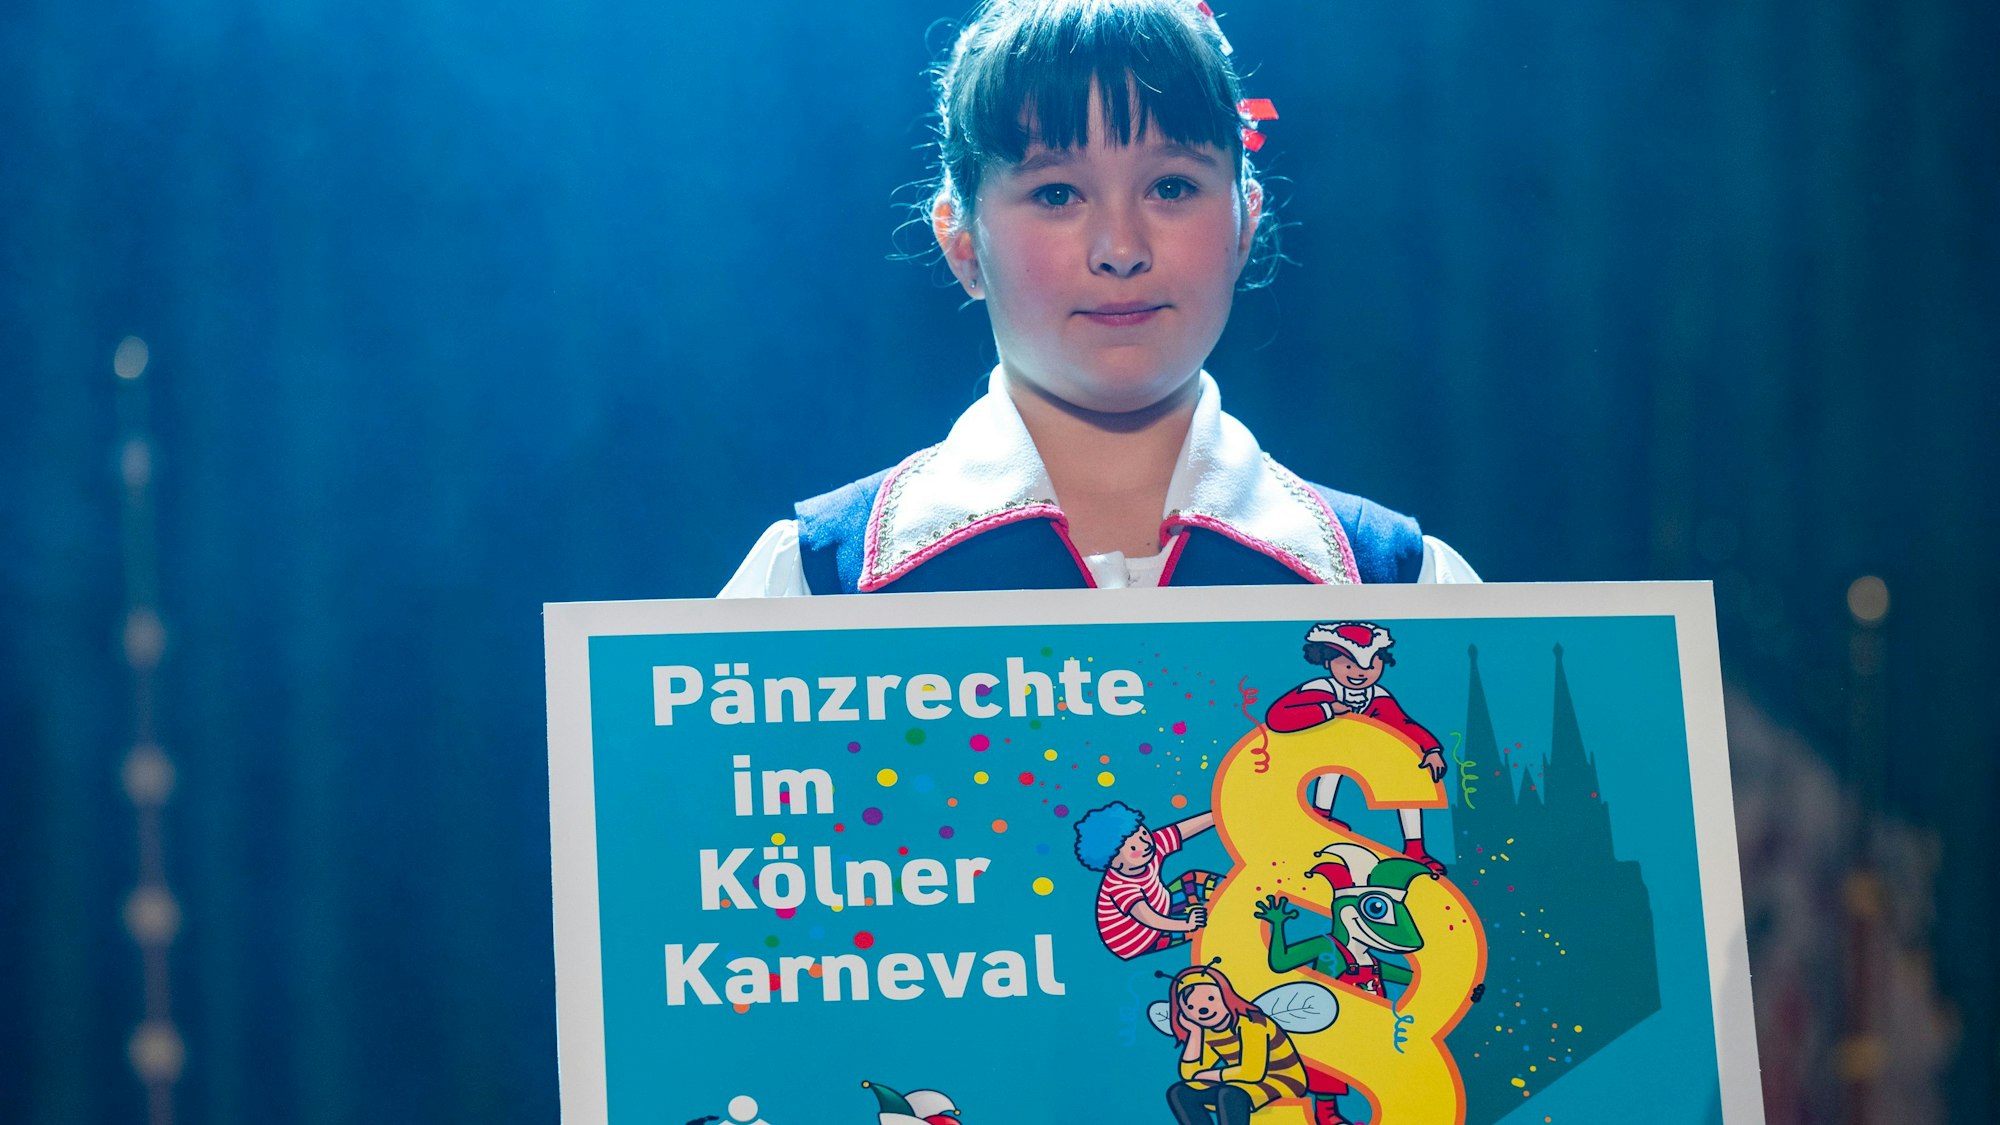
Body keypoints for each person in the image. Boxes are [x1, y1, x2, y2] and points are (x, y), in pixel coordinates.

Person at [719, 0, 1478, 599]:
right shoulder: (817, 582)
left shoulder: (1399, 586)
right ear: (959, 239)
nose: (1121, 248)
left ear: (1245, 219)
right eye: (1056, 193)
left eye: (1172, 186)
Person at [1265, 622, 1450, 875]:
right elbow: (1278, 718)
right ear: (1329, 663)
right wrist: (1328, 709)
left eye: (1370, 666)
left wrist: (1431, 749)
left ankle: (1415, 848)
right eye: (1349, 665)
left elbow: (1403, 723)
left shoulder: (1377, 695)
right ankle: (1321, 814)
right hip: (1308, 760)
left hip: (1362, 759)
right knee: (1332, 764)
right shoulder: (1321, 689)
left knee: (1409, 775)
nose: (1360, 673)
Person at [1164, 962, 1309, 1125]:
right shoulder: (1209, 1032)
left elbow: (1252, 1072)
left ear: (1226, 996)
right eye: (1191, 1006)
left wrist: (1207, 1075)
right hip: (1241, 1082)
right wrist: (1195, 1034)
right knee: (1180, 1092)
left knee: (1229, 1093)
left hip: (1283, 1081)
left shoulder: (1251, 1023)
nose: (1202, 1009)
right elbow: (1189, 1074)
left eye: (1211, 998)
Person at [1073, 801, 1219, 959]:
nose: (1144, 844)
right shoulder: (1120, 887)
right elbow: (1149, 918)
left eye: (1143, 833)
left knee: (1195, 880)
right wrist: (1186, 925)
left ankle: (1239, 892)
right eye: (1133, 849)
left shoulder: (1151, 847)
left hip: (1160, 904)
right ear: (1113, 861)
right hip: (1140, 939)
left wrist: (1217, 816)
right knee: (1202, 928)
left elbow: (1182, 830)